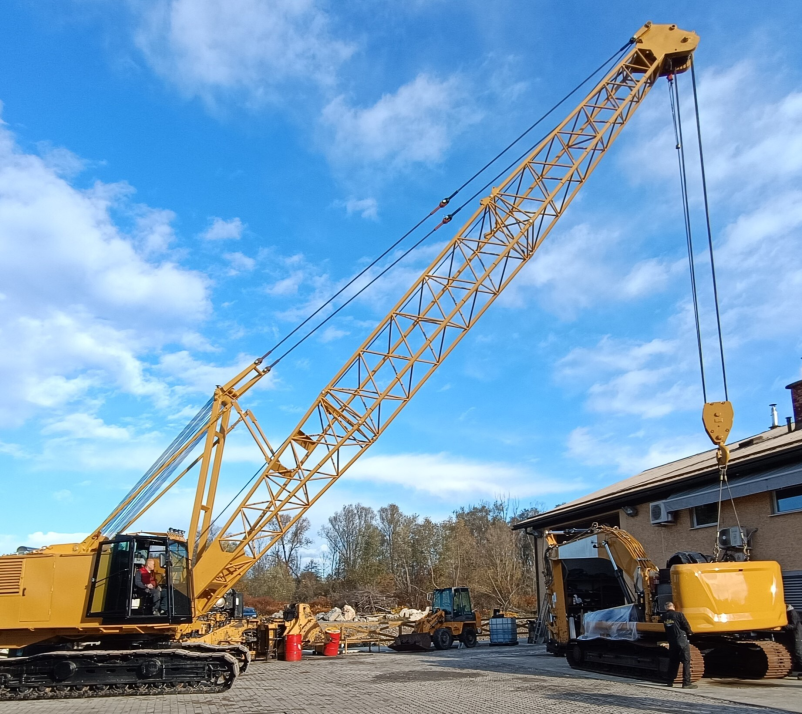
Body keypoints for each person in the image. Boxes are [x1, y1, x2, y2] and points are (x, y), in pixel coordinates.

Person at [661, 601, 696, 688]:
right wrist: (690, 632)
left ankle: (670, 681)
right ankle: (686, 683)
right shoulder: (679, 614)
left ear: (666, 608)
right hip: (681, 639)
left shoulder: (664, 616)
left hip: (672, 641)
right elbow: (685, 625)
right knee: (686, 660)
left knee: (673, 661)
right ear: (673, 607)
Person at [785, 604, 802, 678]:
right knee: (794, 652)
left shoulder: (792, 613)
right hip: (794, 634)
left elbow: (793, 625)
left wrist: (784, 625)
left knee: (798, 652)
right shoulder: (790, 612)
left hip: (796, 634)